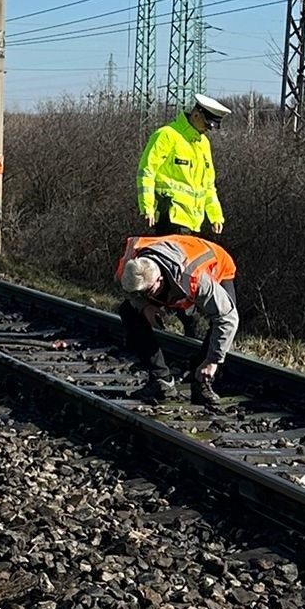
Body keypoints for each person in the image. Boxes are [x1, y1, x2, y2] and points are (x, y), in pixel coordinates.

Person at [115, 232, 239, 409]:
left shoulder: (195, 278)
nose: (142, 296)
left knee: (220, 320)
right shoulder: (131, 266)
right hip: (173, 260)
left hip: (216, 264)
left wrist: (213, 360)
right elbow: (127, 291)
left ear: (159, 280)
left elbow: (227, 317)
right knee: (128, 311)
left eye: (147, 293)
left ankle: (201, 383)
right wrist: (145, 306)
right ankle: (161, 381)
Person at [137, 93, 230, 236]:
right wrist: (147, 207)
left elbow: (208, 185)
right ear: (197, 115)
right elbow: (147, 171)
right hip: (170, 216)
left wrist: (215, 216)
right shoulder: (167, 135)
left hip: (193, 221)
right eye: (207, 124)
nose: (208, 129)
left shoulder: (203, 144)